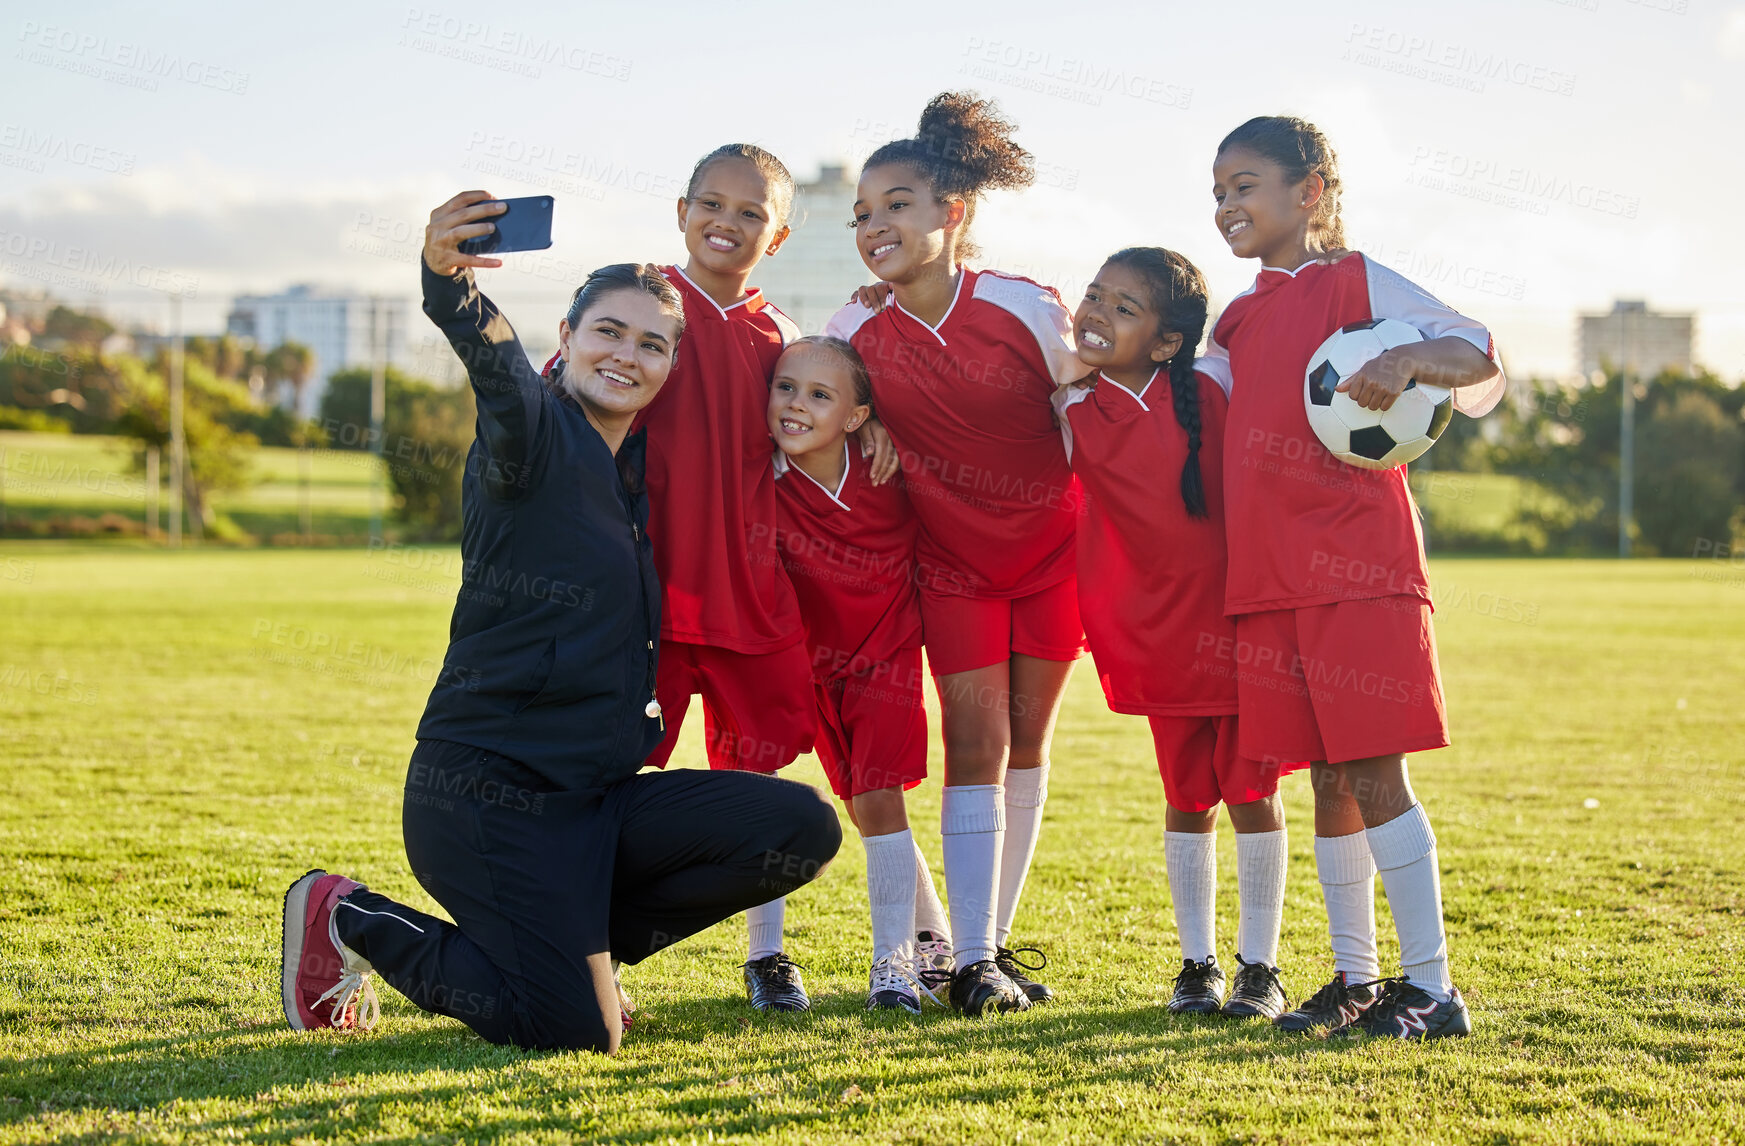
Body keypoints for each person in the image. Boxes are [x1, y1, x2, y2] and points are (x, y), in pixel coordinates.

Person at [279, 190, 841, 1053]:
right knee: (575, 1032)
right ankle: (348, 915)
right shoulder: (532, 439)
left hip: (595, 801)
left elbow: (762, 434)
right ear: (568, 339)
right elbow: (495, 369)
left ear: (667, 367)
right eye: (607, 332)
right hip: (486, 797)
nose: (627, 355)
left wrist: (855, 439)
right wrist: (449, 285)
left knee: (796, 826)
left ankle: (578, 953)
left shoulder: (640, 471)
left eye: (651, 344)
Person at [565, 144, 895, 1013]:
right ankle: (581, 949)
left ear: (777, 235)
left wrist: (873, 431)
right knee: (610, 781)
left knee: (759, 791)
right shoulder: (643, 316)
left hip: (750, 597)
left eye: (751, 213)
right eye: (712, 203)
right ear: (681, 210)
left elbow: (831, 407)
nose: (728, 222)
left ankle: (767, 955)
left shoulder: (779, 337)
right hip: (644, 603)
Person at [1204, 116, 1506, 1039]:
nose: (1225, 206)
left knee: (1375, 775)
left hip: (1357, 567)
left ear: (1310, 193)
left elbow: (1476, 350)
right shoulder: (1238, 316)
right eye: (1216, 191)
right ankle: (1358, 982)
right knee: (1326, 779)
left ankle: (1432, 989)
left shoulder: (1360, 280)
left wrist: (1408, 354)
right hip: (1267, 579)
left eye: (1243, 185)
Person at [827, 92, 1087, 1015]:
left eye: (897, 203)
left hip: (1056, 559)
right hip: (951, 570)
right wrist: (863, 438)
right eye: (861, 213)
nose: (875, 224)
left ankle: (985, 949)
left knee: (1029, 744)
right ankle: (972, 958)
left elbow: (1093, 412)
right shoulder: (855, 330)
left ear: (952, 213)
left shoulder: (1023, 307)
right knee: (975, 742)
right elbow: (811, 402)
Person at [1054, 248, 1301, 1020]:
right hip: (1154, 634)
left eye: (1124, 308)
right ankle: (1196, 965)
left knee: (1251, 792)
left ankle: (1259, 968)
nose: (1096, 312)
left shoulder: (1213, 387)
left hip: (1242, 624)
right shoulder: (1066, 405)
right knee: (1186, 795)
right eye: (1094, 295)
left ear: (1167, 342)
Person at [765, 335, 948, 1015]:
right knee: (863, 808)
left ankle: (892, 969)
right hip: (812, 666)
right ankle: (937, 946)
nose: (794, 405)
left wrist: (880, 430)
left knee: (880, 799)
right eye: (785, 387)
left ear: (855, 416)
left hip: (886, 654)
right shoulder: (762, 478)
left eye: (819, 395)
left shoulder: (884, 467)